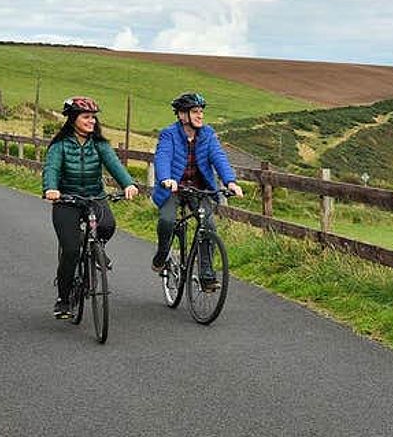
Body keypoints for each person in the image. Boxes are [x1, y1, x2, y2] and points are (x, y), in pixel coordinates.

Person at [43, 96, 139, 318]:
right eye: (86, 117)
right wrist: (51, 188)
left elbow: (114, 164)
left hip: (94, 197)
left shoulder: (100, 144)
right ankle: (64, 299)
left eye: (93, 117)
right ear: (73, 119)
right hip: (66, 200)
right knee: (70, 250)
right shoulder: (60, 145)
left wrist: (129, 184)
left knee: (107, 226)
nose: (91, 121)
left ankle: (96, 251)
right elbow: (52, 169)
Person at [151, 92, 244, 289]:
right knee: (167, 220)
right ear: (182, 115)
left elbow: (219, 157)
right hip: (174, 189)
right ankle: (162, 254)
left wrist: (230, 182)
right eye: (195, 111)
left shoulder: (208, 134)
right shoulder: (169, 134)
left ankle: (207, 276)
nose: (200, 115)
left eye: (201, 111)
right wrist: (166, 178)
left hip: (199, 189)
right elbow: (163, 156)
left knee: (208, 226)